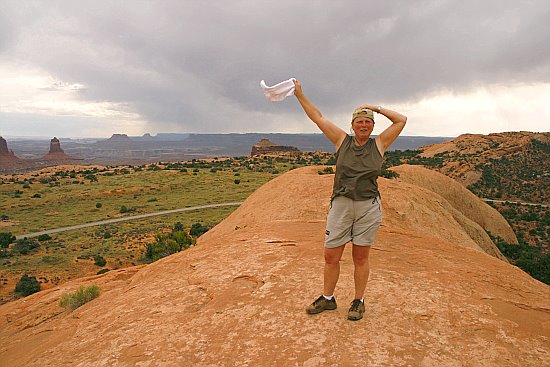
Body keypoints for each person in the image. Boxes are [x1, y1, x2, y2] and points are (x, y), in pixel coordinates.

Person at [293, 79, 407, 321]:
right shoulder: (341, 141)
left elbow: (401, 120)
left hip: (367, 207)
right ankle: (328, 298)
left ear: (372, 125)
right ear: (352, 125)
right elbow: (318, 117)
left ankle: (358, 301)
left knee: (360, 257)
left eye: (367, 122)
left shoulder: (380, 144)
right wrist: (300, 95)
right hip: (342, 205)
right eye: (359, 121)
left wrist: (374, 108)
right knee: (331, 255)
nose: (363, 125)